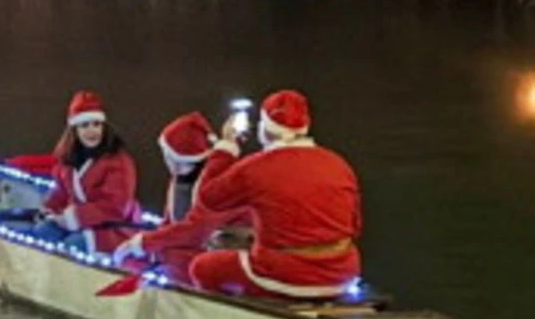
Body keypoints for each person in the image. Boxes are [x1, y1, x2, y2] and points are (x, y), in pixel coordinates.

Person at [187, 90, 362, 300]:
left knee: (202, 268)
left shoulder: (256, 167)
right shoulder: (338, 163)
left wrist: (226, 146)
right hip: (343, 274)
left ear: (265, 128)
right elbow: (355, 225)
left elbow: (208, 199)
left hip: (283, 275)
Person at [113, 111, 246, 280]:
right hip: (185, 247)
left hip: (211, 252)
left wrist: (145, 242)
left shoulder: (211, 185)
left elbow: (195, 230)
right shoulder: (178, 179)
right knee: (138, 259)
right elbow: (170, 223)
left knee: (173, 260)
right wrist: (150, 246)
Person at [29, 92, 141, 255]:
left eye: (96, 124)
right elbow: (61, 193)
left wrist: (73, 218)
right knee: (43, 231)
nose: (92, 131)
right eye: (85, 125)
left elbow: (116, 207)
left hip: (113, 227)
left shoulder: (118, 161)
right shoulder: (68, 161)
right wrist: (49, 210)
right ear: (75, 130)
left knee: (73, 245)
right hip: (80, 223)